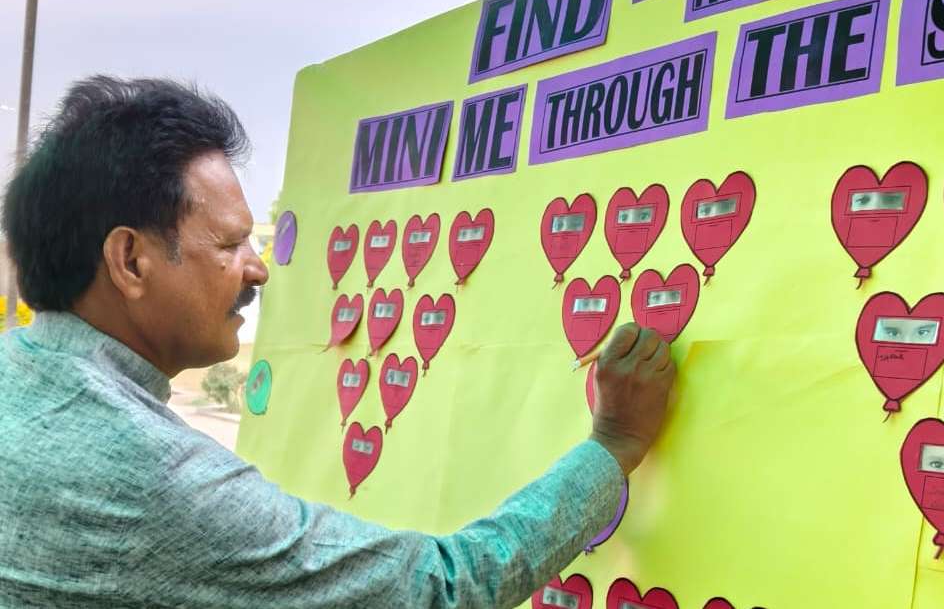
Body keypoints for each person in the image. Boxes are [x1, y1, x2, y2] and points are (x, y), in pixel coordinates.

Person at [0, 76, 677, 608]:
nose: (258, 270)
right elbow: (441, 588)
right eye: (230, 244)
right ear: (131, 261)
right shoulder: (159, 481)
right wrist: (613, 446)